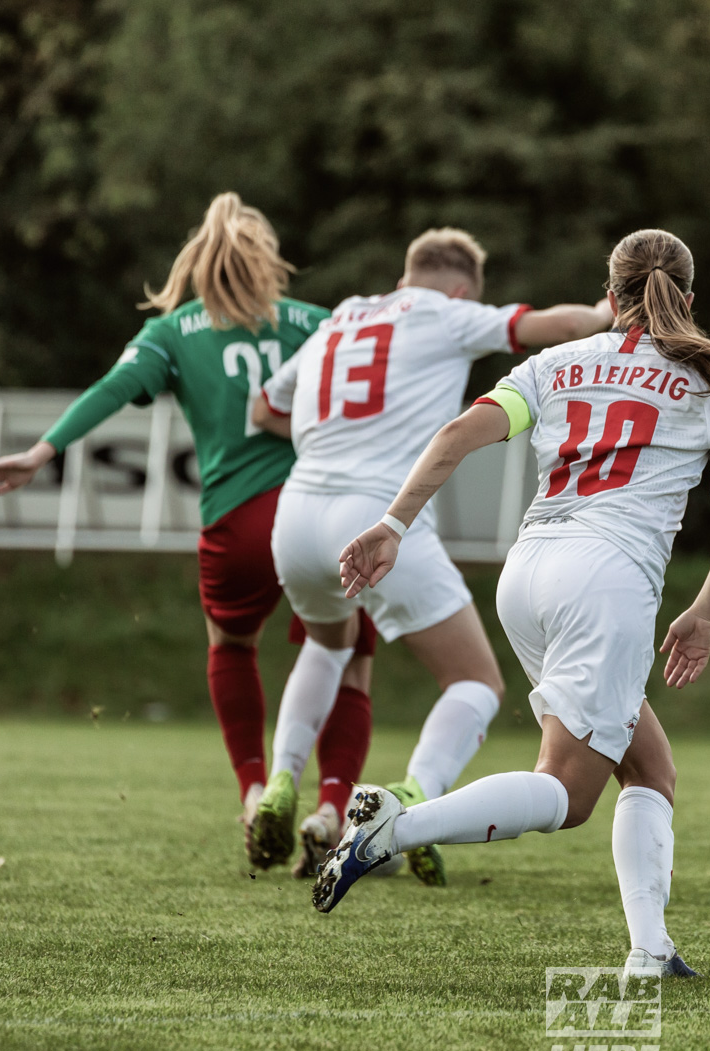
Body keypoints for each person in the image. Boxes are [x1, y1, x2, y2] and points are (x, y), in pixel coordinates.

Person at [310, 229, 710, 979]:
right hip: (606, 580)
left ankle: (650, 949)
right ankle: (395, 828)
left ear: (611, 291)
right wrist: (706, 612)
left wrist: (394, 523)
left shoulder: (558, 362)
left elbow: (460, 434)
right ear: (687, 298)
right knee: (567, 792)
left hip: (527, 574)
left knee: (650, 768)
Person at [0, 192, 378, 876]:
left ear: (197, 265)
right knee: (347, 657)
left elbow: (113, 386)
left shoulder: (174, 331)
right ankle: (332, 810)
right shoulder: (321, 322)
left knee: (232, 644)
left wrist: (42, 451)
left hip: (236, 522)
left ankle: (254, 793)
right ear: (269, 261)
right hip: (320, 514)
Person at [252, 228, 613, 886]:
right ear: (459, 288)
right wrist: (605, 311)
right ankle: (414, 799)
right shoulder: (444, 311)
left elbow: (265, 407)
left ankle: (280, 780)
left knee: (328, 645)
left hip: (297, 511)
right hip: (374, 511)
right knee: (476, 680)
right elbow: (548, 325)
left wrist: (334, 432)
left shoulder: (343, 316)